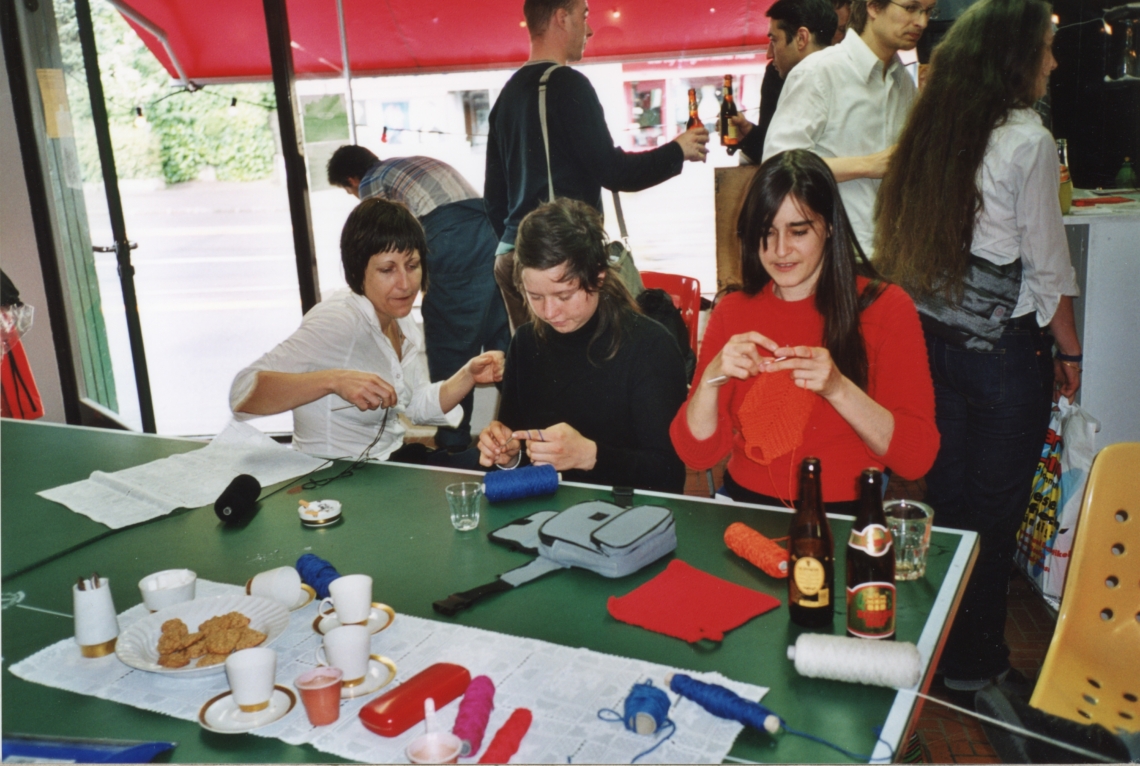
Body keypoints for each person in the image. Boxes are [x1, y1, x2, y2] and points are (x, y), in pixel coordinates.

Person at [874, 0, 1080, 693]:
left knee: (954, 505)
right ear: (1014, 58)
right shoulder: (1026, 137)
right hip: (1002, 360)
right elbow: (1047, 265)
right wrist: (1071, 352)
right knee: (995, 514)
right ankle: (976, 660)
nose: (1053, 62)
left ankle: (943, 645)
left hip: (938, 344)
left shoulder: (938, 126)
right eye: (1046, 50)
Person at [670, 149, 938, 509]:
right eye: (766, 233)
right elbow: (697, 454)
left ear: (828, 226)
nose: (781, 250)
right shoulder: (732, 310)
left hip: (845, 514)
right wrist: (711, 379)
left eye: (798, 231)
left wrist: (838, 388)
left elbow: (916, 457)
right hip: (746, 505)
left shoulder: (886, 307)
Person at [485, 0, 710, 331]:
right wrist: (677, 151)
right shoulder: (566, 83)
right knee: (586, 368)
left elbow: (494, 200)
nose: (589, 29)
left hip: (512, 259)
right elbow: (613, 170)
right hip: (558, 262)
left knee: (538, 369)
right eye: (584, 16)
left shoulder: (506, 97)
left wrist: (521, 244)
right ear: (562, 17)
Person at [230, 198, 504, 466]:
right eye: (387, 270)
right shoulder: (338, 319)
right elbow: (241, 395)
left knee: (501, 467)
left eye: (412, 266)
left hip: (388, 462)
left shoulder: (400, 318)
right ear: (357, 271)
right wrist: (333, 380)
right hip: (333, 474)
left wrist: (467, 375)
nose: (406, 284)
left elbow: (416, 405)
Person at [477, 199, 688, 493]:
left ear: (598, 277)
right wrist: (508, 455)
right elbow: (518, 446)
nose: (549, 313)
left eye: (564, 296)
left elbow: (669, 474)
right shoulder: (525, 343)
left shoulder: (650, 347)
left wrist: (590, 456)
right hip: (545, 514)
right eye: (535, 296)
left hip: (623, 521)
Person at [327, 147, 509, 451]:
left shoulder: (373, 180)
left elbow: (380, 239)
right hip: (490, 231)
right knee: (499, 343)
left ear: (352, 179)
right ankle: (531, 428)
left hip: (451, 237)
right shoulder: (410, 164)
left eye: (350, 191)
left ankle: (454, 443)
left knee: (451, 343)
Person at [763, 0, 934, 256]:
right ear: (874, 7)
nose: (922, 22)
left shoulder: (902, 81)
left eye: (929, 11)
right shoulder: (819, 72)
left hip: (891, 254)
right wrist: (867, 165)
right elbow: (778, 167)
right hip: (834, 258)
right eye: (910, 8)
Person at [732, 0, 839, 164]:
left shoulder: (805, 74)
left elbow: (784, 164)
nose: (769, 53)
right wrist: (749, 133)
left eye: (774, 40)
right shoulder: (776, 75)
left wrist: (867, 165)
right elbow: (773, 151)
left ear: (801, 38)